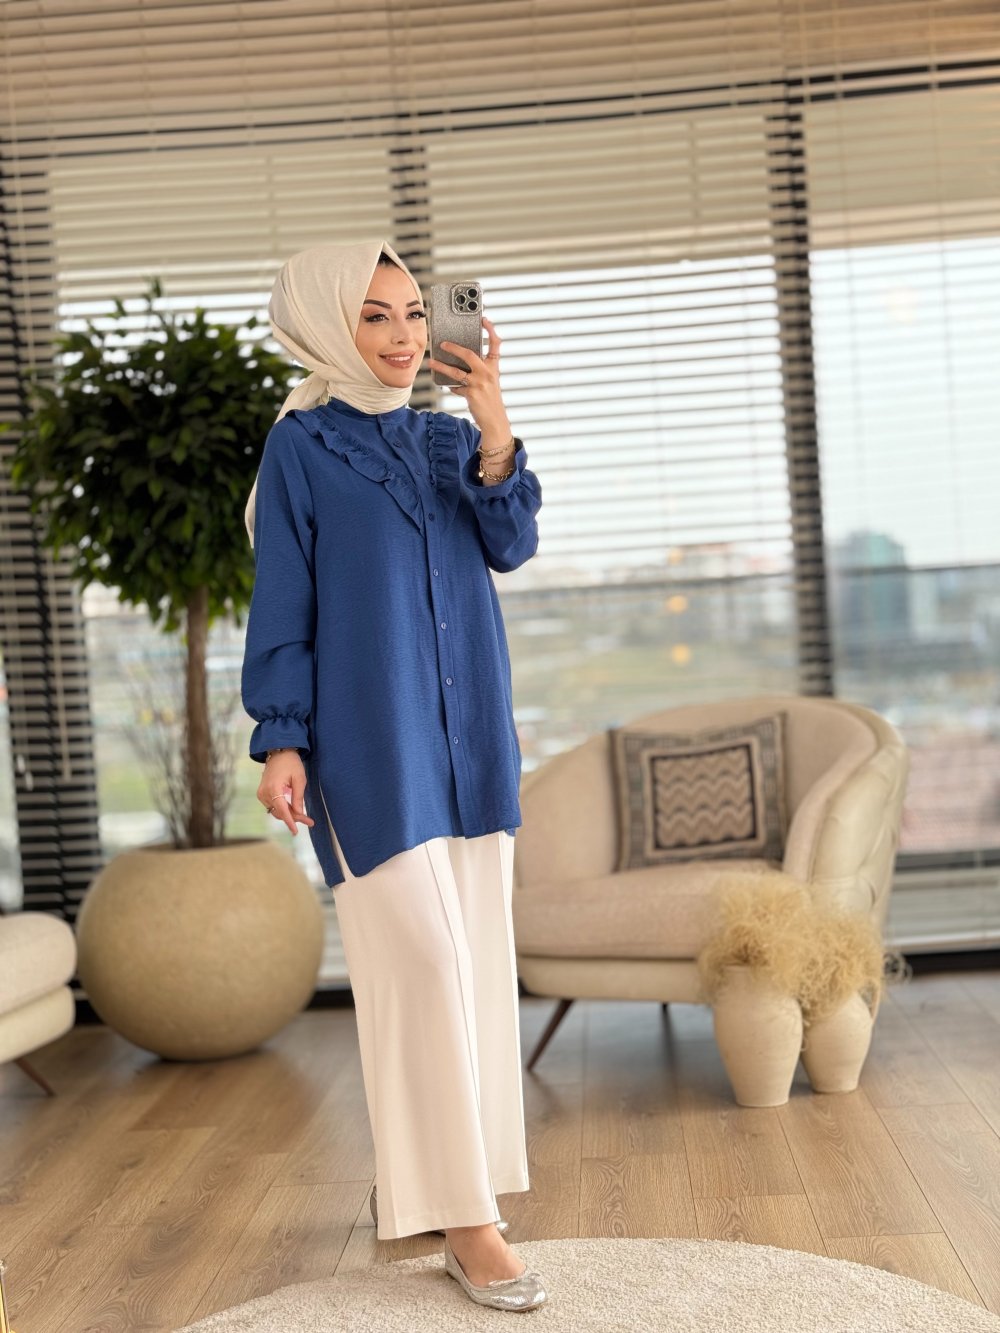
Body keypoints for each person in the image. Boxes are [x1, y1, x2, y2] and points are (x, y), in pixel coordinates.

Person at [240, 240, 548, 1312]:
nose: (406, 335)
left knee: (473, 973)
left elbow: (510, 546)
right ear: (328, 325)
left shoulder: (444, 438)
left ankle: (456, 1195)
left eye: (416, 311)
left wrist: (495, 427)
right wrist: (282, 737)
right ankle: (467, 1223)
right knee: (422, 966)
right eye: (375, 315)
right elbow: (283, 597)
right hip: (366, 749)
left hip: (469, 744)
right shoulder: (301, 447)